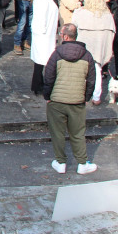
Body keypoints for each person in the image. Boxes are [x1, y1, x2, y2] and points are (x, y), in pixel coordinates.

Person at [43, 23, 98, 175]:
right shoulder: (87, 55)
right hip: (77, 101)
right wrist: (86, 97)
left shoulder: (56, 54)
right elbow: (92, 80)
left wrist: (47, 96)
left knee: (58, 133)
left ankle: (60, 162)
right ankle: (82, 163)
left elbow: (48, 77)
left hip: (57, 101)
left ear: (65, 36)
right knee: (78, 133)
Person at [72, 0, 116, 105]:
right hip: (99, 48)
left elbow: (73, 26)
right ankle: (96, 97)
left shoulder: (81, 13)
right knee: (97, 71)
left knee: (81, 72)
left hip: (84, 47)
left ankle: (79, 94)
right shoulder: (107, 16)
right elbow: (112, 33)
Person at [30, 0, 59, 96]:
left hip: (46, 34)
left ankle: (39, 84)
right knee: (43, 61)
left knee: (41, 62)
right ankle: (41, 85)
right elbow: (41, 17)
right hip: (44, 35)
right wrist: (43, 32)